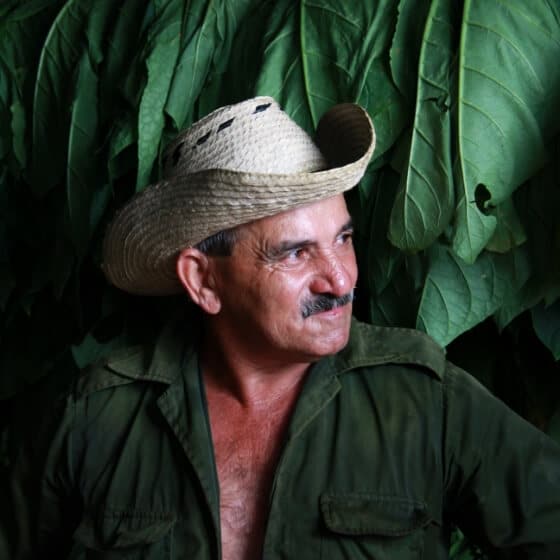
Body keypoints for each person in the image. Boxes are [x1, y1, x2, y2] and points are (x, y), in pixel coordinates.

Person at [2, 96, 560, 559]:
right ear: (203, 281)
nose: (339, 278)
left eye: (343, 238)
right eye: (295, 254)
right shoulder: (96, 417)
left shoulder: (420, 396)